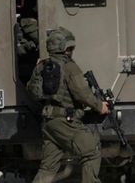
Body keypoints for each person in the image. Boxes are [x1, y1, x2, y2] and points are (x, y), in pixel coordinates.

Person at [26, 27, 109, 183]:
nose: (72, 51)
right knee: (92, 151)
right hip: (65, 122)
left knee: (48, 168)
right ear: (64, 48)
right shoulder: (70, 67)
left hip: (48, 123)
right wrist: (100, 106)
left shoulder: (42, 66)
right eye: (70, 47)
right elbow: (82, 93)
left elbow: (31, 90)